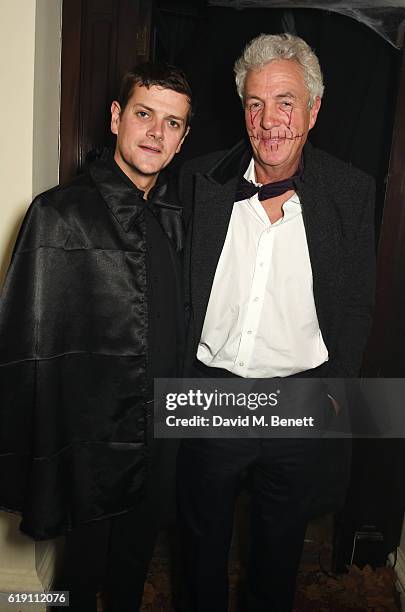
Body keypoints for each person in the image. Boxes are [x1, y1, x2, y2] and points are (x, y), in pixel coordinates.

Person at [177, 33, 375, 612]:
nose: (270, 121)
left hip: (299, 401)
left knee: (277, 555)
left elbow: (359, 303)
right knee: (198, 552)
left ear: (313, 110)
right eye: (256, 103)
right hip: (211, 394)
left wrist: (337, 389)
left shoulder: (349, 193)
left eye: (285, 102)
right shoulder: (198, 183)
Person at [0, 62, 191, 611]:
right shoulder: (58, 215)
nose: (156, 133)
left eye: (172, 124)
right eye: (144, 114)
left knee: (135, 563)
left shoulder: (177, 216)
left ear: (182, 140)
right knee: (82, 576)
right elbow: (30, 345)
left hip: (161, 427)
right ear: (116, 118)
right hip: (91, 440)